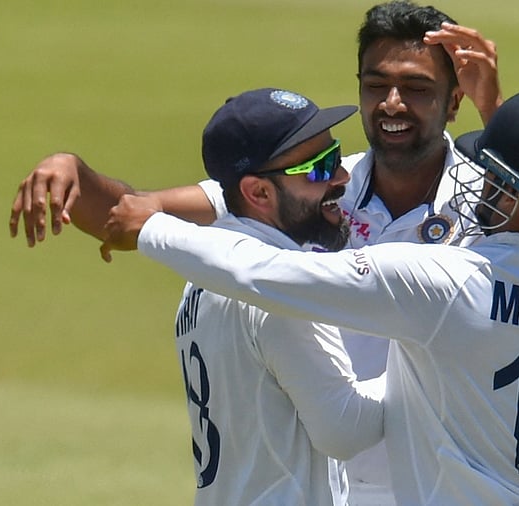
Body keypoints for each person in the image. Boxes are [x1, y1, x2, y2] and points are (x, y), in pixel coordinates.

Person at [8, 2, 501, 503]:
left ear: (454, 99)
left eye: (416, 89)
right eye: (376, 85)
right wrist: (69, 167)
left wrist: (498, 115)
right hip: (336, 480)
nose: (392, 103)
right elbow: (136, 216)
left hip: (438, 484)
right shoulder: (313, 192)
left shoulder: (487, 203)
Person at [100, 88, 519, 506]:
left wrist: (153, 228)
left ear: (511, 193)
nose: (475, 184)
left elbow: (268, 273)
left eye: (489, 178)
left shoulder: (444, 281)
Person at [140, 87, 385, 505]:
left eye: (338, 157)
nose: (343, 178)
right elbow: (344, 430)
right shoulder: (277, 292)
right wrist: (432, 359)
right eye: (321, 168)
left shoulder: (205, 274)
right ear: (258, 193)